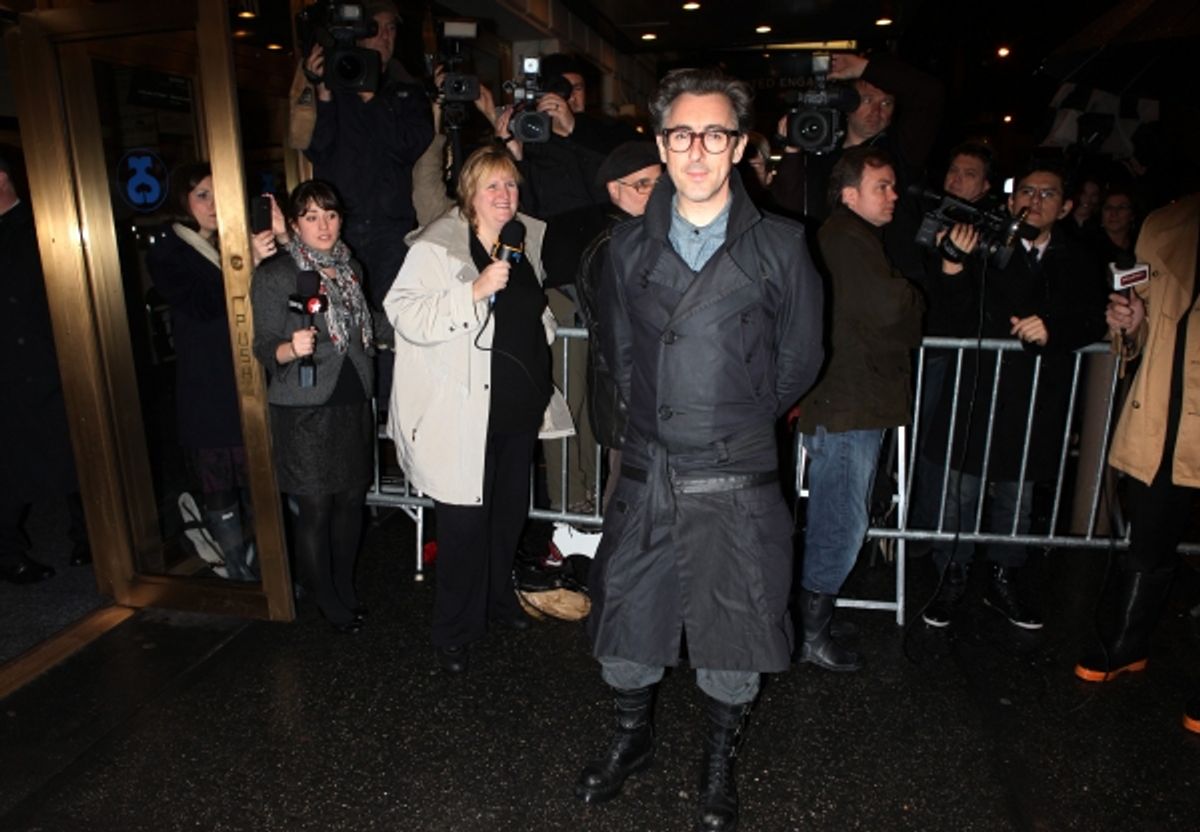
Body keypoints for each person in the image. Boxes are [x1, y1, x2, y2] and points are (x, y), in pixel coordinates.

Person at [577, 69, 824, 832]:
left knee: (735, 637)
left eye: (715, 134)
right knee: (626, 627)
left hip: (736, 470)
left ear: (740, 146)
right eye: (682, 134)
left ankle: (718, 761)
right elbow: (619, 351)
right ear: (661, 142)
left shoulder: (782, 245)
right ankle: (632, 739)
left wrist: (737, 416)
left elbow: (801, 358)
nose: (697, 150)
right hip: (650, 466)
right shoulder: (623, 248)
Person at [385, 146, 573, 674]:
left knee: (507, 517)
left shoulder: (522, 241)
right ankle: (453, 630)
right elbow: (402, 312)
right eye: (492, 186)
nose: (505, 196)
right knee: (465, 528)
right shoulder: (438, 247)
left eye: (511, 186)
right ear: (468, 193)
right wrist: (472, 291)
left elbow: (530, 314)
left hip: (517, 411)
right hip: (463, 415)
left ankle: (497, 600)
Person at [919, 160, 1108, 630]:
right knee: (958, 490)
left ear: (1065, 206)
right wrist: (952, 267)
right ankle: (952, 575)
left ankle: (1005, 577)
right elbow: (949, 318)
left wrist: (1055, 329)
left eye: (1047, 194)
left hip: (1036, 398)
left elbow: (1094, 317)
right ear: (1009, 199)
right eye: (1026, 191)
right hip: (977, 387)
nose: (1034, 201)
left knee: (1017, 496)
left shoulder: (1081, 258)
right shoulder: (983, 245)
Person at [794, 146, 925, 672]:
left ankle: (814, 619)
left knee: (838, 513)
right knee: (839, 519)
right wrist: (915, 297)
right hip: (849, 402)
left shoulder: (850, 238)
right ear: (850, 195)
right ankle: (810, 632)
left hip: (849, 398)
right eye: (882, 186)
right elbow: (892, 309)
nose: (893, 196)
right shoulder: (848, 239)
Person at [1073, 193, 1200, 734]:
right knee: (1147, 538)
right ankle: (1128, 644)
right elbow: (1140, 334)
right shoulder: (1170, 223)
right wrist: (1130, 320)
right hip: (1166, 421)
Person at [251, 180, 379, 633]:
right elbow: (263, 346)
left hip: (350, 396)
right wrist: (291, 346)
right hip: (304, 403)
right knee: (316, 505)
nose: (323, 225)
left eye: (330, 215)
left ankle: (344, 585)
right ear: (294, 224)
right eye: (311, 217)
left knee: (350, 500)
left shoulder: (350, 268)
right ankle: (323, 594)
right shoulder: (275, 274)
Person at [147, 162, 284, 581]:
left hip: (248, 369)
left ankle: (269, 569)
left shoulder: (233, 242)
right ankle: (239, 570)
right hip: (207, 381)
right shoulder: (168, 247)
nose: (212, 204)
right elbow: (203, 305)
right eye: (201, 195)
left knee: (259, 475)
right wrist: (242, 263)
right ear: (182, 201)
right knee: (220, 479)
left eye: (217, 194)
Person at [301, 0, 433, 400]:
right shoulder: (334, 85)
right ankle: (353, 406)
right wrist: (323, 95)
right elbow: (316, 150)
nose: (386, 37)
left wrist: (372, 97)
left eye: (393, 29)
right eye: (378, 28)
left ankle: (392, 413)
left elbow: (409, 145)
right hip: (340, 230)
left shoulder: (406, 88)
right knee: (344, 324)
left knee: (393, 327)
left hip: (391, 230)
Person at [0, 149, 89, 584]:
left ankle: (93, 536)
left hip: (46, 361)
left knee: (75, 452)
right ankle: (7, 552)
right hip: (11, 369)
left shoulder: (42, 227)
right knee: (11, 462)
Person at [573, 141, 662, 511]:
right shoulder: (615, 246)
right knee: (630, 497)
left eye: (660, 183)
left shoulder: (646, 238)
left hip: (642, 394)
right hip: (632, 398)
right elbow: (620, 332)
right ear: (614, 190)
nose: (655, 193)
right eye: (643, 185)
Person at [495, 52, 636, 220]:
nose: (570, 97)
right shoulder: (532, 141)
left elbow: (627, 171)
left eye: (577, 88)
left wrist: (573, 129)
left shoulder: (610, 131)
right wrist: (518, 156)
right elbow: (526, 208)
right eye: (560, 89)